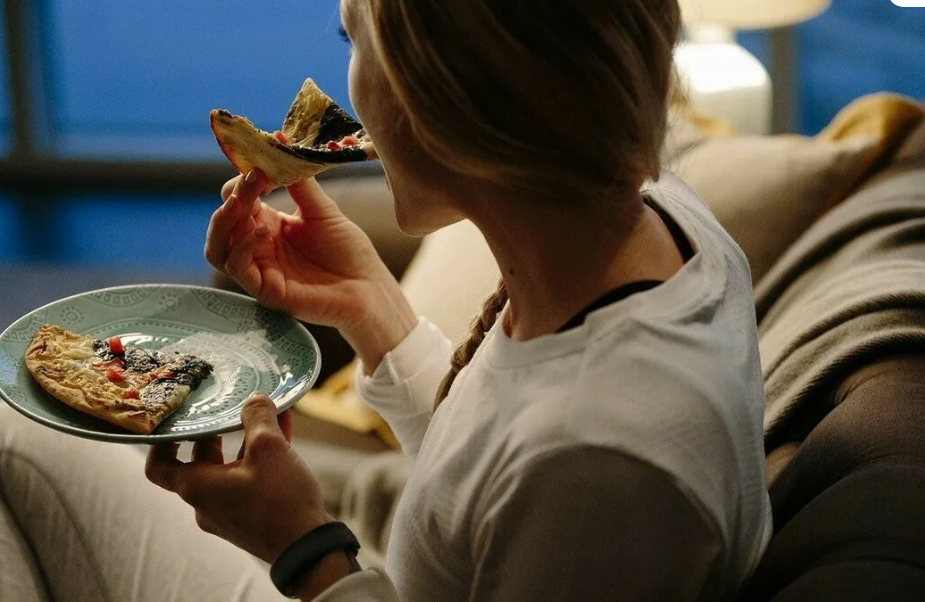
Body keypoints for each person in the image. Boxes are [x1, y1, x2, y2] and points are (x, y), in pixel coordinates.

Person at [0, 1, 771, 600]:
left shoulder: (599, 472)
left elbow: (545, 462)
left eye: (353, 38)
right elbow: (495, 469)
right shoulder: (656, 216)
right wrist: (373, 309)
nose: (348, 88)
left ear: (437, 89)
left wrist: (304, 548)